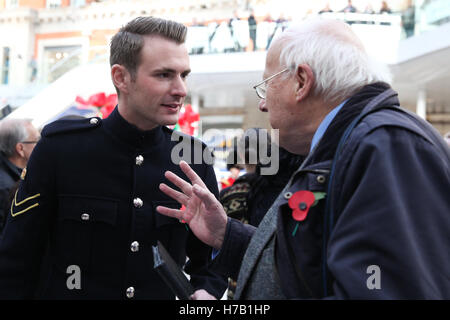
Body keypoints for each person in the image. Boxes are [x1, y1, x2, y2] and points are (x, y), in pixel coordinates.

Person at [156, 17, 450, 299]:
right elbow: (310, 269)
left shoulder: (385, 146)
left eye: (266, 85)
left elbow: (384, 290)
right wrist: (226, 234)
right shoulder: (359, 144)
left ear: (301, 81)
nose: (262, 104)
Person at [0, 16, 226, 300]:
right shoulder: (61, 150)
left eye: (184, 75)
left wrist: (207, 291)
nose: (180, 89)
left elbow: (212, 258)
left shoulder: (193, 158)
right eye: (164, 75)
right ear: (121, 77)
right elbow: (16, 260)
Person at [219, 128, 303, 299]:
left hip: (244, 286)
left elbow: (224, 246)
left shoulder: (233, 193)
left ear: (241, 154)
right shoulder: (294, 187)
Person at [0, 118, 40, 234]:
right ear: (20, 148)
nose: (41, 145)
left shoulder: (14, 173)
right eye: (37, 141)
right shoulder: (5, 188)